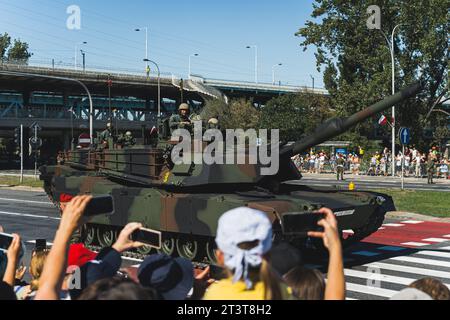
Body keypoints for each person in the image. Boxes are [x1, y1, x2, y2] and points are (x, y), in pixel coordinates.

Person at [203, 207, 290, 300]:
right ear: (268, 256)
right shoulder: (286, 293)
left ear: (220, 256)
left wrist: (196, 294)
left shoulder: (215, 294)